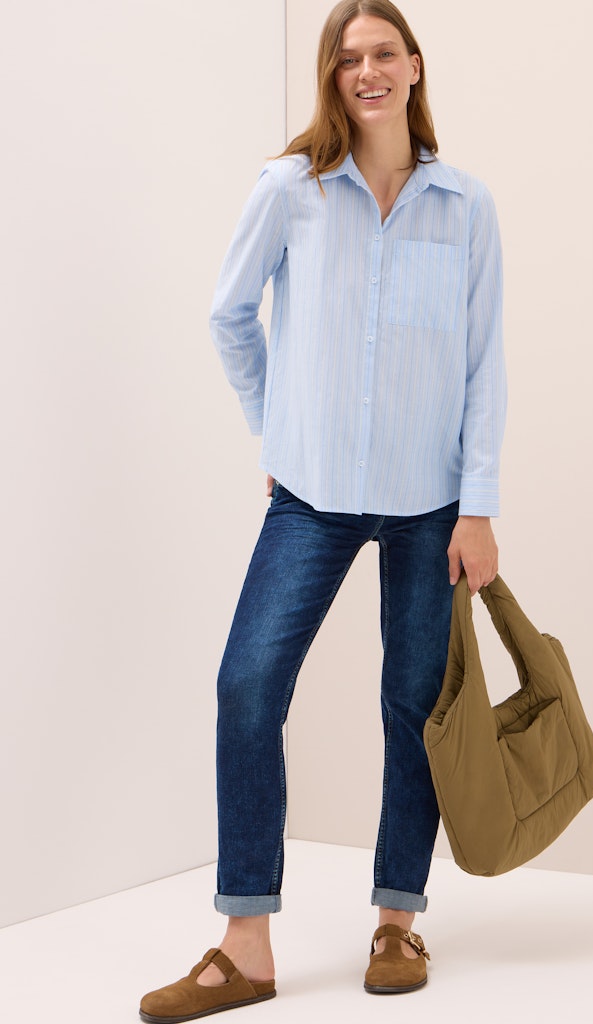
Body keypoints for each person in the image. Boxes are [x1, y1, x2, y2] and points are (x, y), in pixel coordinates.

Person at [139, 0, 506, 1018]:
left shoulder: (465, 205)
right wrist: (276, 432)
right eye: (348, 58)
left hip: (431, 502)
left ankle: (397, 918)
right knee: (248, 685)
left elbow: (484, 364)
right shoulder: (289, 189)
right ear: (331, 76)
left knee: (412, 708)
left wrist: (479, 506)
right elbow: (229, 315)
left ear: (415, 66)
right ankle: (245, 945)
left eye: (384, 52)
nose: (367, 71)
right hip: (310, 496)